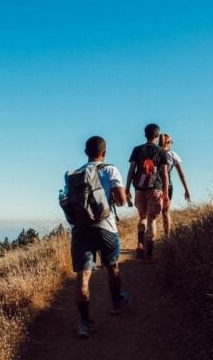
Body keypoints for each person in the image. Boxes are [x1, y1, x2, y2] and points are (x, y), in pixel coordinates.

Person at [62, 136, 129, 338]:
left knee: (83, 275)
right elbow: (121, 202)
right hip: (106, 227)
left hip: (81, 229)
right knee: (112, 266)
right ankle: (116, 303)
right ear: (104, 152)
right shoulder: (110, 169)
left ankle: (84, 323)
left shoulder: (75, 175)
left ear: (85, 152)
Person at [126, 123, 169, 263]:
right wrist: (166, 193)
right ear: (158, 136)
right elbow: (164, 175)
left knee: (142, 217)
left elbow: (132, 170)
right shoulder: (162, 152)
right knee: (152, 219)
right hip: (155, 188)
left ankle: (140, 242)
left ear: (145, 135)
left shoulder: (137, 150)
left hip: (139, 188)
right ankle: (150, 254)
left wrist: (127, 188)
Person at [158, 133, 192, 236]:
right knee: (165, 212)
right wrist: (186, 189)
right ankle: (167, 236)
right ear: (167, 143)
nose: (172, 144)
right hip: (167, 185)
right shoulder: (172, 154)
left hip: (153, 185)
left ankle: (150, 238)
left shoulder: (154, 153)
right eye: (171, 142)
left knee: (152, 213)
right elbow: (181, 174)